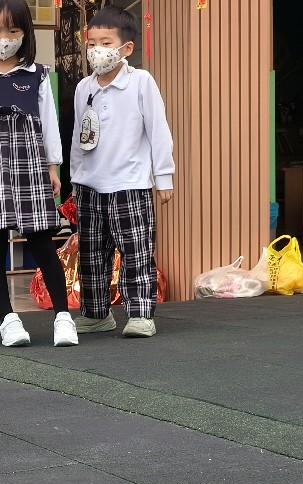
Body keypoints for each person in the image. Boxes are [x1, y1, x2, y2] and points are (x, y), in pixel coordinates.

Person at [0, 0, 77, 348]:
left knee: (42, 242)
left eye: (13, 31)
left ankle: (63, 317)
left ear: (25, 33)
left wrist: (53, 166)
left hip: (29, 164)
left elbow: (49, 123)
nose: (3, 39)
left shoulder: (36, 74)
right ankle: (8, 320)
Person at [69, 5, 174, 338]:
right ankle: (96, 314)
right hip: (89, 185)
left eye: (106, 43)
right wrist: (75, 178)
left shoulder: (141, 82)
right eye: (92, 43)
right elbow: (79, 136)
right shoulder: (84, 87)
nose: (97, 50)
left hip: (130, 184)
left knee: (136, 251)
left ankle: (140, 314)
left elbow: (158, 131)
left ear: (126, 48)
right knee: (90, 254)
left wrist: (164, 177)